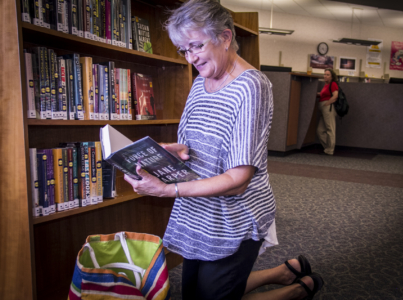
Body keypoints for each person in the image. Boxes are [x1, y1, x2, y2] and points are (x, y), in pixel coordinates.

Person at [124, 0, 324, 299]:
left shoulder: (251, 87)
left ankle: (298, 290)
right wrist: (174, 150)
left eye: (195, 46)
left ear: (225, 37)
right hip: (197, 209)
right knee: (194, 292)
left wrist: (167, 191)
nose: (190, 57)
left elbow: (238, 180)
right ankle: (281, 272)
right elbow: (199, 144)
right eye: (184, 50)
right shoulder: (199, 82)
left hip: (233, 216)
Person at [316, 68, 338, 155]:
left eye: (328, 75)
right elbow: (323, 94)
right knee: (320, 131)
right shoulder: (326, 85)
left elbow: (335, 96)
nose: (325, 76)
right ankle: (327, 147)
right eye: (325, 74)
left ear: (332, 76)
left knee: (330, 129)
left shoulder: (333, 84)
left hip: (328, 108)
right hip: (323, 109)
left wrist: (327, 104)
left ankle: (330, 149)